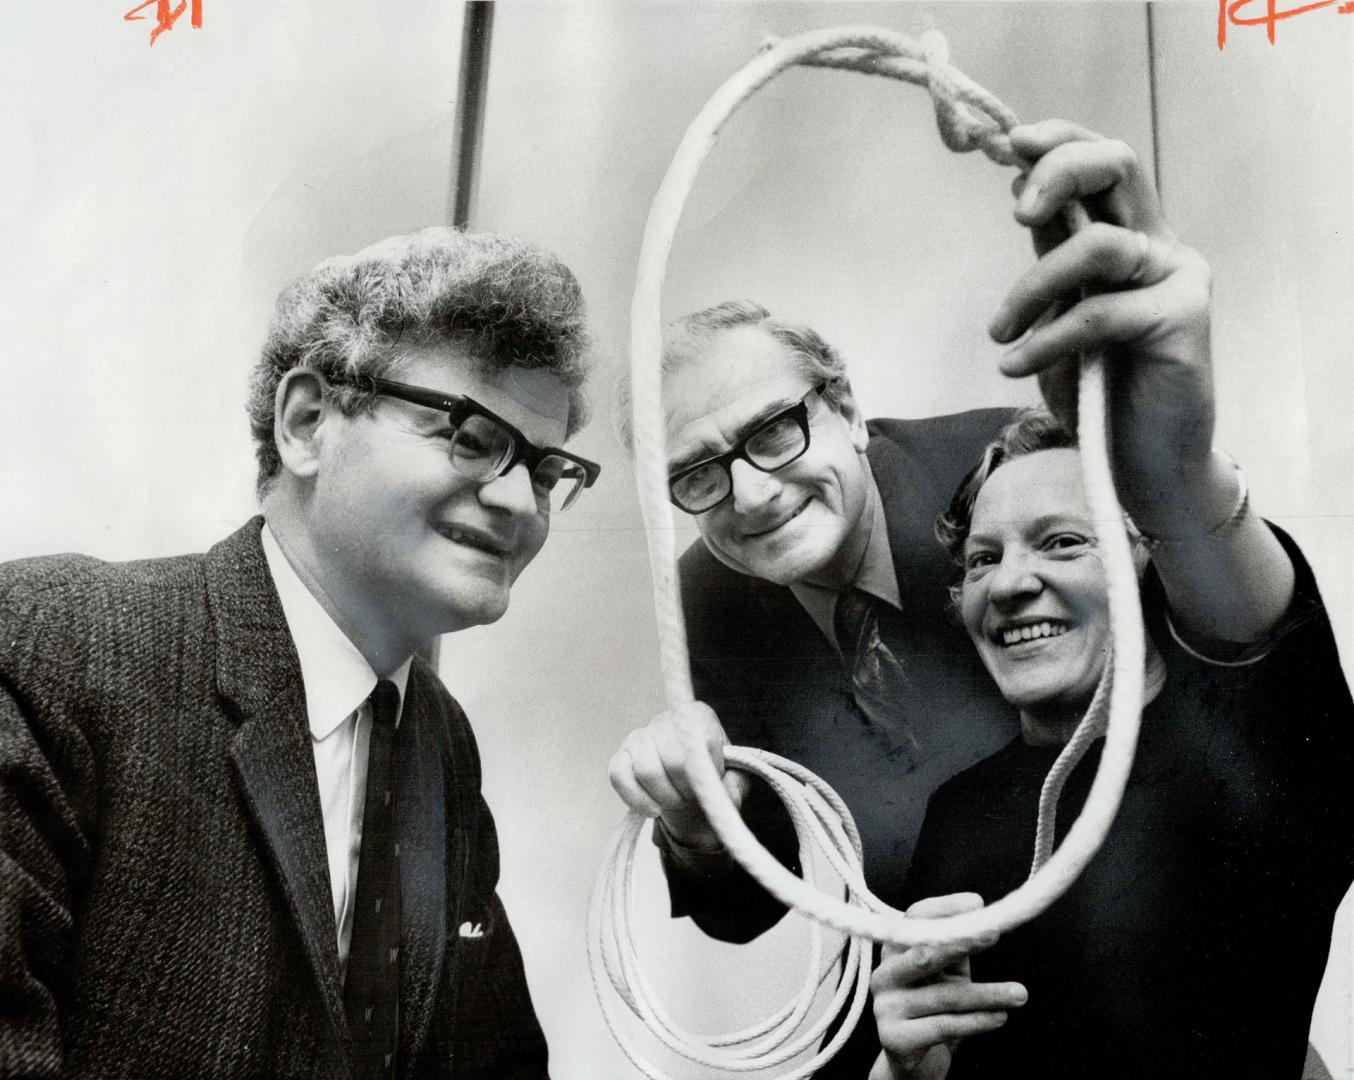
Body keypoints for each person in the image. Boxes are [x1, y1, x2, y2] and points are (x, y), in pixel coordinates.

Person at [608, 118, 1346, 1076]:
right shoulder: (710, 601)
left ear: (844, 409)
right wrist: (698, 826)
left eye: (775, 431)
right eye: (697, 473)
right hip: (936, 1013)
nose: (749, 492)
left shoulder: (1018, 470)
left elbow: (1250, 678)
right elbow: (749, 895)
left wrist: (1177, 474)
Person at [0, 227, 601, 1078]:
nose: (517, 501)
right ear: (308, 422)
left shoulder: (441, 746)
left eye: (545, 471)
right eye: (471, 437)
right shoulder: (54, 645)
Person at [869, 409, 1354, 1079]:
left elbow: (1267, 631)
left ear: (1148, 560)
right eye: (984, 559)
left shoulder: (1248, 751)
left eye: (1063, 541)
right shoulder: (957, 812)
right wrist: (902, 1068)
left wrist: (1178, 462)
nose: (1009, 584)